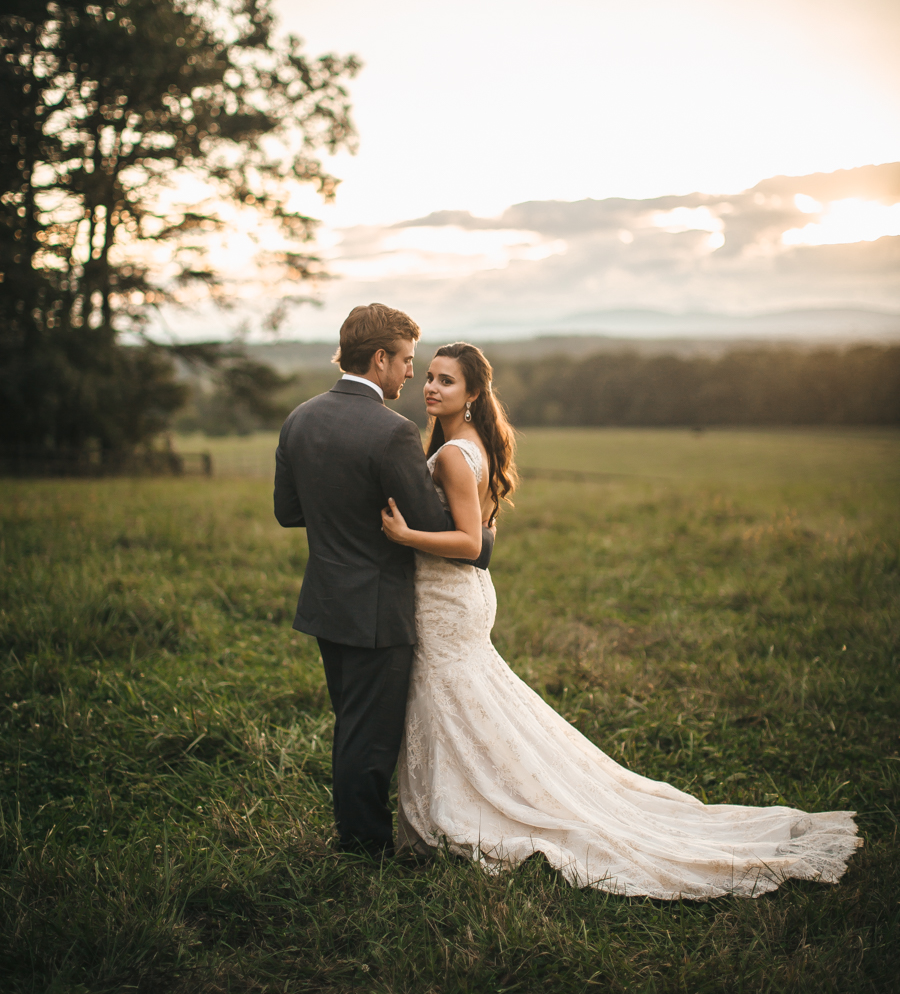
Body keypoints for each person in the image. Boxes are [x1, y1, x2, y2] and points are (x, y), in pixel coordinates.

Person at [380, 341, 861, 899]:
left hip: (450, 599)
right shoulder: (473, 445)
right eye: (430, 378)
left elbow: (469, 541)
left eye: (447, 381)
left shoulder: (453, 456)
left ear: (472, 394)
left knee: (450, 701)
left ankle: (466, 814)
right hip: (461, 598)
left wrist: (404, 535)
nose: (432, 388)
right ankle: (472, 800)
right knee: (471, 705)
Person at [273, 304, 494, 860]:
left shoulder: (298, 418)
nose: (409, 376)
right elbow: (431, 523)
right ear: (379, 359)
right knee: (369, 740)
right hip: (378, 609)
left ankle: (358, 837)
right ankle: (362, 851)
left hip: (326, 600)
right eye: (405, 363)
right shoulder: (393, 431)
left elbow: (287, 511)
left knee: (351, 723)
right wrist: (484, 537)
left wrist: (341, 517)